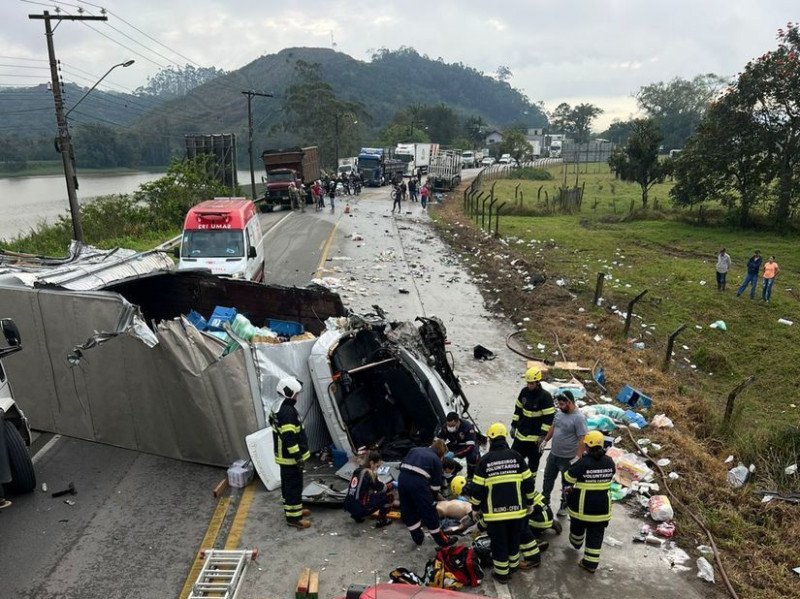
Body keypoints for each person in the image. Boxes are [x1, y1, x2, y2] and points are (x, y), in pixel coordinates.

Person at [470, 423, 535, 584]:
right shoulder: (517, 457)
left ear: (491, 440)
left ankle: (501, 574)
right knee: (514, 541)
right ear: (505, 437)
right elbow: (529, 482)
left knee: (499, 544)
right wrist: (530, 503)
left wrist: (475, 508)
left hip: (495, 514)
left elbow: (477, 489)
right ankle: (512, 567)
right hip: (517, 512)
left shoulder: (485, 461)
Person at [563, 430, 616, 574]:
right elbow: (612, 474)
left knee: (577, 530)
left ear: (587, 446)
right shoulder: (609, 462)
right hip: (601, 511)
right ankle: (590, 564)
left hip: (582, 509)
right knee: (596, 536)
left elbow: (568, 479)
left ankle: (576, 542)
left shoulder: (582, 463)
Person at [269, 376, 311, 529]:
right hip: (290, 458)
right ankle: (294, 519)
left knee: (288, 486)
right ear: (290, 392)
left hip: (284, 457)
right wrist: (298, 457)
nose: (298, 396)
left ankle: (294, 510)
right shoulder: (287, 412)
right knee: (294, 486)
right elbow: (289, 438)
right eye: (296, 394)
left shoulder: (279, 405)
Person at [397, 439, 456, 547]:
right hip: (418, 484)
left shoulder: (415, 450)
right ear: (441, 454)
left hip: (402, 480)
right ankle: (443, 542)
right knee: (430, 513)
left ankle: (417, 537)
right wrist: (430, 501)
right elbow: (435, 487)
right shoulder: (436, 460)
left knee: (408, 509)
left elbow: (402, 465)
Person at [540, 391, 588, 517]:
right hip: (554, 454)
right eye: (559, 404)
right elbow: (554, 427)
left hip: (568, 458)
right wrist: (545, 440)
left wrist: (578, 457)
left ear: (569, 402)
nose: (560, 407)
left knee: (567, 483)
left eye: (562, 404)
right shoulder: (560, 413)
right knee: (548, 478)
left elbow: (582, 438)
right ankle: (545, 500)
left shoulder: (579, 418)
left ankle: (564, 504)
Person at [511, 367, 555, 483]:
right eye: (528, 383)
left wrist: (542, 436)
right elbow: (518, 410)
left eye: (531, 383)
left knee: (533, 466)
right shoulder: (524, 392)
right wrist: (513, 425)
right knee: (513, 461)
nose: (529, 385)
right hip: (521, 436)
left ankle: (529, 488)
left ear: (537, 382)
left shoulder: (545, 397)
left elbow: (548, 419)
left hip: (535, 441)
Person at [344, 451, 395, 528]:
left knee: (365, 496)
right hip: (360, 508)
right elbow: (383, 489)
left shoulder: (358, 471)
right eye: (377, 466)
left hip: (349, 506)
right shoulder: (369, 474)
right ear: (371, 463)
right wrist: (393, 484)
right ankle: (382, 520)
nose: (377, 468)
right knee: (389, 496)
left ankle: (357, 516)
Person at [434, 412, 479, 478]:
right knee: (440, 453)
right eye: (448, 426)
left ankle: (471, 475)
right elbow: (438, 439)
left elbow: (470, 446)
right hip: (455, 444)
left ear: (457, 422)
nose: (450, 428)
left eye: (452, 426)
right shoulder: (445, 427)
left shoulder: (467, 427)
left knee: (472, 457)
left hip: (468, 446)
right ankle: (453, 470)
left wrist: (454, 454)